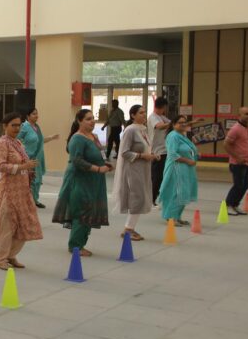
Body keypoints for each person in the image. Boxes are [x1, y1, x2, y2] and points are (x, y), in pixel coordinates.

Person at [52, 109, 111, 256]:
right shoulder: (77, 139)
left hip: (94, 180)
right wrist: (98, 169)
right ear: (79, 121)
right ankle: (75, 246)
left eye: (93, 118)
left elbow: (101, 154)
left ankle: (81, 244)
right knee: (81, 210)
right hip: (80, 179)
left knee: (90, 209)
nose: (92, 121)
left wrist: (106, 164)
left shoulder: (93, 136)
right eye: (88, 119)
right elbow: (77, 161)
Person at [0, 113, 43, 270]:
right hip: (9, 190)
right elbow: (0, 166)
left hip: (22, 190)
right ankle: (1, 258)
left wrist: (28, 171)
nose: (17, 128)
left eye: (19, 125)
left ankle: (11, 255)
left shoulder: (18, 142)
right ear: (5, 126)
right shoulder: (2, 143)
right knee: (7, 226)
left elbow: (24, 163)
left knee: (24, 223)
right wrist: (23, 167)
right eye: (13, 125)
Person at [112, 105, 157, 241]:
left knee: (141, 197)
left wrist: (152, 155)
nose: (144, 115)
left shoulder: (143, 129)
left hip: (143, 168)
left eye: (145, 112)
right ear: (133, 115)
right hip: (133, 169)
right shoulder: (130, 130)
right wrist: (142, 156)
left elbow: (145, 148)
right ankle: (128, 229)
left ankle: (130, 228)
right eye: (141, 113)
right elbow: (124, 152)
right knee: (138, 198)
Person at [159, 115, 199, 227]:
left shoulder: (182, 135)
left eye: (185, 122)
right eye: (180, 122)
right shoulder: (173, 136)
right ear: (173, 124)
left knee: (184, 192)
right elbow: (172, 154)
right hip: (176, 167)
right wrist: (187, 160)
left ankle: (177, 216)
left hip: (185, 168)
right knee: (177, 192)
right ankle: (171, 217)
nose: (183, 124)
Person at [18, 108, 59, 208]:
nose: (36, 116)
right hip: (29, 158)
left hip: (38, 157)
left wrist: (51, 137)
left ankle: (34, 200)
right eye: (33, 114)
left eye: (37, 114)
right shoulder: (24, 127)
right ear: (28, 116)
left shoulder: (36, 127)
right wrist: (23, 151)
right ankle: (27, 201)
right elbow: (16, 140)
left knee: (37, 180)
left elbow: (40, 141)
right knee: (30, 180)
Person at [224, 106, 248, 216]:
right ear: (239, 116)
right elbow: (226, 145)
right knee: (238, 185)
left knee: (245, 185)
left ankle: (235, 205)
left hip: (247, 162)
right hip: (237, 164)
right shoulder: (235, 129)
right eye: (246, 114)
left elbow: (245, 144)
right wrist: (237, 157)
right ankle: (227, 206)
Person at [148, 97, 172, 204]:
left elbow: (171, 123)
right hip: (157, 152)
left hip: (164, 150)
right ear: (163, 107)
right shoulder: (153, 117)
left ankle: (156, 195)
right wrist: (174, 124)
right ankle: (151, 199)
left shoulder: (161, 117)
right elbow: (159, 126)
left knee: (161, 176)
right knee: (157, 177)